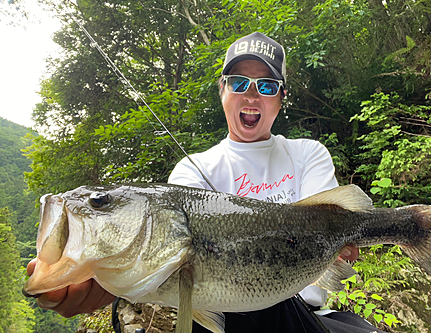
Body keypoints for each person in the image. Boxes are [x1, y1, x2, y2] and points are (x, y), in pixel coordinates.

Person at [27, 32, 383, 333]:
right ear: (223, 90)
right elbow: (165, 265)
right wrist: (108, 281)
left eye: (267, 85)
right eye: (239, 83)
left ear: (281, 98)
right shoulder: (191, 171)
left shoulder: (308, 154)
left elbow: (327, 223)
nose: (251, 94)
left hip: (304, 316)